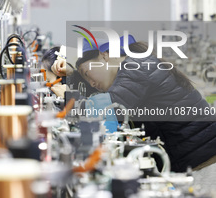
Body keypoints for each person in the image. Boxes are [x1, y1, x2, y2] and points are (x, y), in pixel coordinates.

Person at [55, 35, 216, 190]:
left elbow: (111, 106)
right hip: (194, 158)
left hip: (203, 163)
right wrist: (71, 74)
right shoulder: (135, 66)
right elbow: (105, 93)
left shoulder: (136, 67)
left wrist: (69, 99)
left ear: (104, 56)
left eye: (87, 74)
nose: (91, 82)